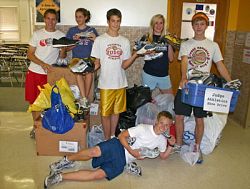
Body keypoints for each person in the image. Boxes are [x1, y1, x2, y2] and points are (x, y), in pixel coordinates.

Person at [44, 111, 175, 188]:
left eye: (166, 125)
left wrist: (171, 145)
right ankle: (67, 160)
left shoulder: (162, 140)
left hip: (124, 159)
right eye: (161, 123)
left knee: (98, 175)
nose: (163, 127)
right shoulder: (143, 128)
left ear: (169, 127)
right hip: (118, 145)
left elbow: (163, 156)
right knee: (93, 151)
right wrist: (132, 151)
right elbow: (121, 136)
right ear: (156, 121)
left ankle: (59, 177)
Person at [174, 12, 232, 163]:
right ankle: (179, 144)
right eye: (196, 24)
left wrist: (231, 82)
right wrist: (184, 77)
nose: (199, 27)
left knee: (200, 119)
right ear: (192, 26)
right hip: (186, 86)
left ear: (206, 26)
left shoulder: (213, 46)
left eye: (202, 24)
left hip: (203, 89)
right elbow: (184, 61)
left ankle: (196, 147)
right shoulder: (186, 44)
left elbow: (220, 65)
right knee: (179, 116)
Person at [90, 8, 140, 140]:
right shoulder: (100, 40)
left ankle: (112, 136)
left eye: (118, 21)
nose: (115, 24)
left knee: (116, 112)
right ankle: (106, 139)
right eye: (113, 21)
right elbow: (96, 63)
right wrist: (86, 70)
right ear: (108, 21)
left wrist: (136, 54)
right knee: (105, 113)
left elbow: (124, 65)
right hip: (106, 83)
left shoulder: (124, 41)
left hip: (120, 82)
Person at [26, 9, 66, 138]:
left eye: (53, 19)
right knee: (34, 102)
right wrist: (42, 63)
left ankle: (46, 127)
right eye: (48, 18)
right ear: (44, 19)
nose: (50, 22)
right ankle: (36, 127)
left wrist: (63, 49)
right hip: (34, 72)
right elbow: (30, 54)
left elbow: (62, 57)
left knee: (49, 103)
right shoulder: (37, 34)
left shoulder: (60, 35)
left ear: (56, 20)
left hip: (50, 75)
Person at [66, 8, 98, 108]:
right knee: (77, 71)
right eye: (76, 16)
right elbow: (66, 49)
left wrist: (95, 39)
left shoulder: (91, 30)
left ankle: (85, 98)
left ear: (86, 17)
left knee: (89, 72)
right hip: (76, 59)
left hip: (88, 58)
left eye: (80, 16)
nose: (78, 19)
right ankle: (85, 98)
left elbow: (99, 46)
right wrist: (74, 41)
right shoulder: (72, 31)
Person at [141, 14, 174, 94]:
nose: (159, 25)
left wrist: (169, 42)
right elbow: (135, 52)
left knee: (170, 101)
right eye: (156, 23)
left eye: (161, 23)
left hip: (163, 75)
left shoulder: (167, 38)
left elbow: (171, 59)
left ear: (163, 24)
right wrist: (145, 51)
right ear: (152, 24)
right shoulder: (146, 37)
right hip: (148, 74)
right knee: (145, 101)